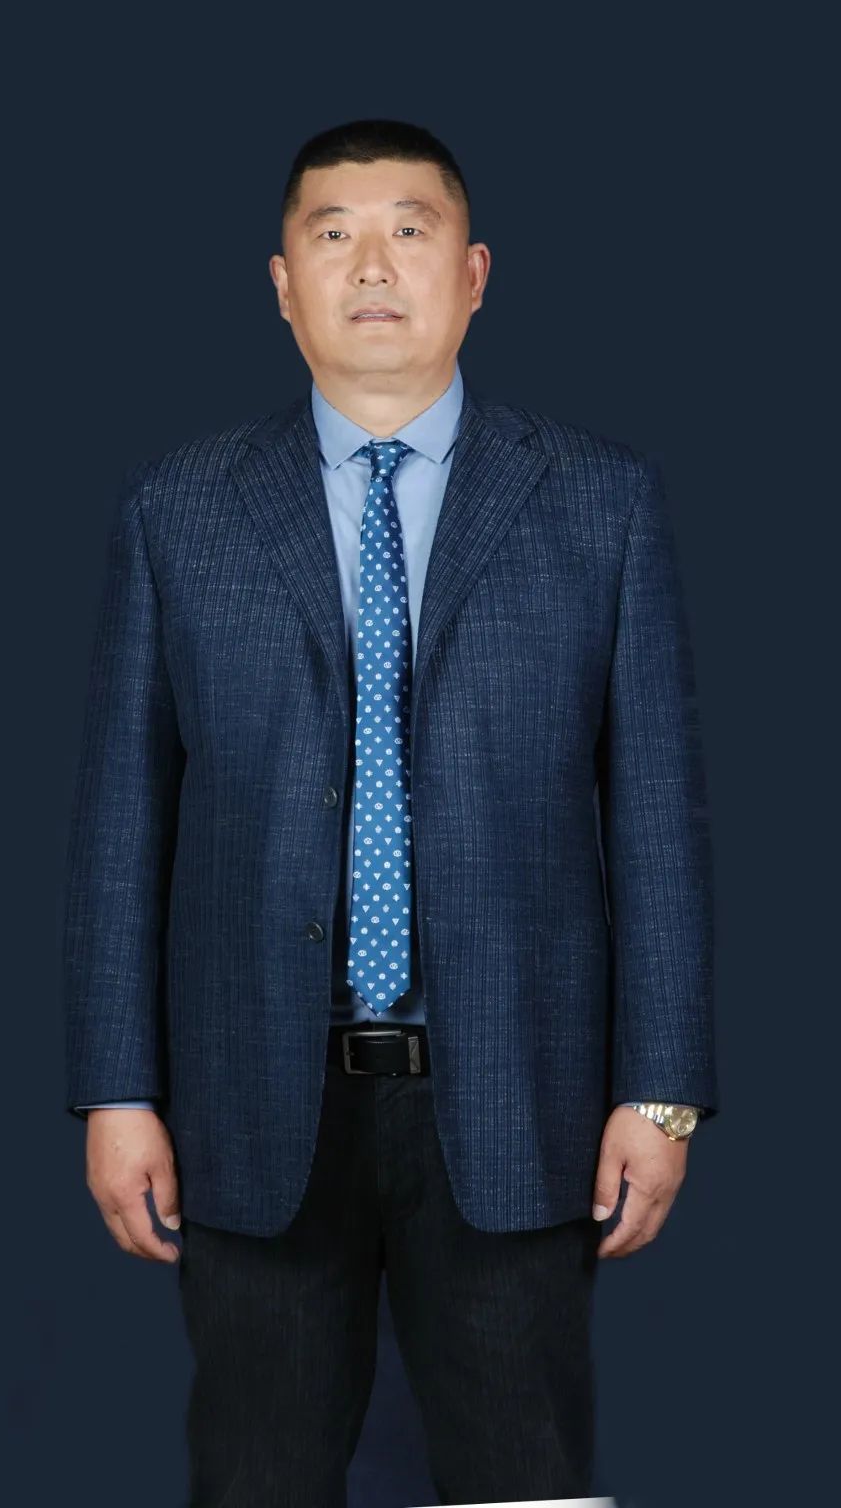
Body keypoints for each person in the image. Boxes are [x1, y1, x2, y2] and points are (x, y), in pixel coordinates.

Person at [62, 116, 720, 1508]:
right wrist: (117, 1089)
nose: (373, 265)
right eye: (333, 234)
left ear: (473, 275)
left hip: (519, 1101)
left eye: (410, 231)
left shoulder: (600, 502)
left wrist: (659, 1094)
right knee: (256, 1482)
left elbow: (657, 818)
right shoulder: (178, 509)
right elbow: (124, 823)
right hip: (250, 1101)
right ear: (281, 284)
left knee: (524, 1487)